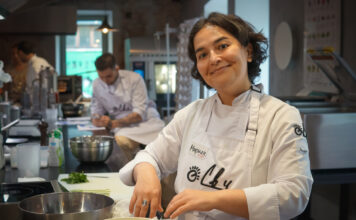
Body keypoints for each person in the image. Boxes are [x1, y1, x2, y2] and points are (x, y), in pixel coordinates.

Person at [118, 12, 313, 220]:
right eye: (202, 55)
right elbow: (151, 156)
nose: (213, 59)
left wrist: (212, 199)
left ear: (248, 52)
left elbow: (293, 194)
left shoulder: (281, 116)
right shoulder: (191, 114)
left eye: (222, 46)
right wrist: (147, 173)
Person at [91, 53, 165, 161]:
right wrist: (96, 119)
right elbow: (96, 110)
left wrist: (112, 123)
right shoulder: (97, 84)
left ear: (116, 69)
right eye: (101, 77)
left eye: (108, 76)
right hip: (122, 126)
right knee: (121, 141)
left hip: (146, 122)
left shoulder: (134, 79)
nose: (105, 81)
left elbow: (139, 114)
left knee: (160, 146)